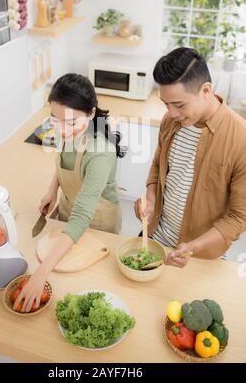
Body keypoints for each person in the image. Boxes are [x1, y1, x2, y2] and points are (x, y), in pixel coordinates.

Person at [15, 73, 125, 312]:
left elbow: (82, 216)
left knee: (87, 282)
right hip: (68, 209)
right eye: (54, 119)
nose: (62, 130)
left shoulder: (100, 152)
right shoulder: (68, 129)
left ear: (92, 113)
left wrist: (40, 274)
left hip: (97, 221)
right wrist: (51, 191)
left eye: (72, 122)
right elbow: (64, 159)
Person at [135, 47, 246, 268]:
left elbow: (238, 217)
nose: (171, 112)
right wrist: (150, 198)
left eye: (179, 104)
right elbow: (158, 167)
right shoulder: (170, 121)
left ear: (206, 90)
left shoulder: (240, 138)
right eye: (166, 103)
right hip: (156, 237)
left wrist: (192, 247)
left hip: (200, 255)